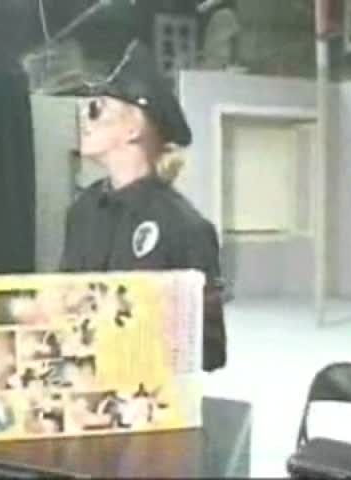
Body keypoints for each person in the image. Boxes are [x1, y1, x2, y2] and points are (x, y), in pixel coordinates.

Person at [53, 39, 227, 371]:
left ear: (133, 128)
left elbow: (210, 351)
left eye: (97, 109)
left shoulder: (185, 228)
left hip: (147, 388)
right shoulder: (82, 210)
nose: (85, 118)